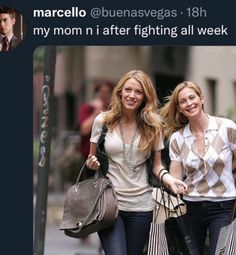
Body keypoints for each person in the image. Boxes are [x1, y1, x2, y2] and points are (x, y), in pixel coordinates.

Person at [86, 70, 187, 255]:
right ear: (120, 92)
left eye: (138, 92)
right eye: (128, 90)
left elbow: (157, 166)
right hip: (110, 205)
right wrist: (92, 164)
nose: (132, 95)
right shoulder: (103, 121)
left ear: (145, 97)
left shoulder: (153, 126)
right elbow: (91, 159)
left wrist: (170, 180)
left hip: (142, 206)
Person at [160, 81, 236, 255]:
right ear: (179, 108)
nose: (189, 103)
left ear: (202, 99)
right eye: (183, 101)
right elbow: (176, 176)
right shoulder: (177, 139)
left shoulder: (226, 128)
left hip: (223, 205)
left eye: (192, 98)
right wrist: (174, 184)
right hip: (191, 206)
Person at [77, 80, 114, 179]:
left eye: (107, 93)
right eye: (101, 93)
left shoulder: (114, 112)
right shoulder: (88, 108)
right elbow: (84, 129)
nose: (104, 96)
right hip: (88, 157)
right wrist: (97, 112)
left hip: (109, 159)